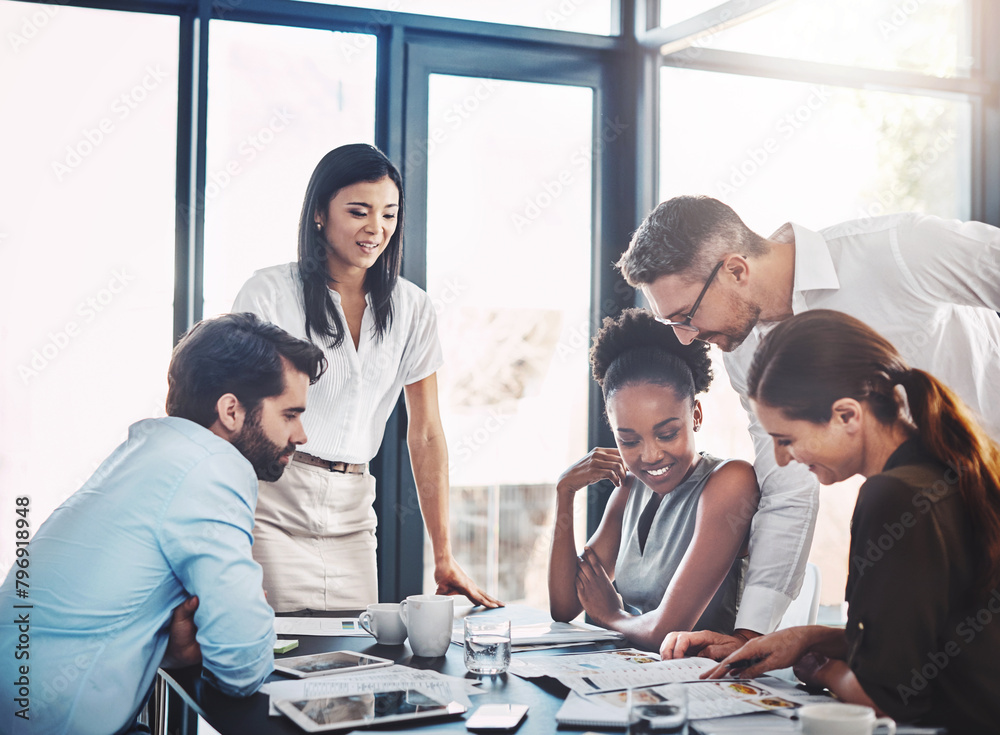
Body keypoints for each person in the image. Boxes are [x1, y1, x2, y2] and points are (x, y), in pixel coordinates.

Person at [617, 195, 1000, 658]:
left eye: (685, 316)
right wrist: (750, 634)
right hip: (937, 525)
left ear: (736, 270)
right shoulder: (743, 349)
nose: (685, 337)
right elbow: (788, 489)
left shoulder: (899, 249)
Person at [0, 313, 326, 735]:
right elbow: (241, 664)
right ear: (231, 410)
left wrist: (177, 652)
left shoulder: (148, 455)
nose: (301, 435)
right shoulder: (214, 466)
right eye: (290, 414)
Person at [690, 309, 1000, 733]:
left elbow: (886, 702)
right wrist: (809, 637)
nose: (783, 459)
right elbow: (924, 641)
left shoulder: (893, 496)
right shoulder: (946, 470)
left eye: (787, 440)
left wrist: (819, 671)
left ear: (848, 416)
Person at [233, 143, 497, 612]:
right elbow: (235, 422)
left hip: (354, 513)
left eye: (389, 214)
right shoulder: (269, 293)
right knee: (279, 660)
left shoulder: (413, 308)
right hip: (273, 504)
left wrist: (443, 555)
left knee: (356, 668)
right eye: (359, 211)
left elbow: (427, 432)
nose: (376, 229)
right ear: (319, 213)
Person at [547, 308, 759, 649]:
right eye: (629, 441)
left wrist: (611, 616)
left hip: (713, 685)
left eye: (667, 433)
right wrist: (565, 491)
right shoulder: (631, 488)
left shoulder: (730, 482)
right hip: (642, 681)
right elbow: (566, 605)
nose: (649, 456)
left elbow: (666, 632)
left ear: (696, 415)